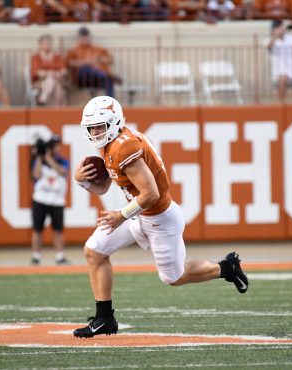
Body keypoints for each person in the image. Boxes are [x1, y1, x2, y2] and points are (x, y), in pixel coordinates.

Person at [72, 96, 249, 337]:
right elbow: (103, 187)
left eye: (99, 127)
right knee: (95, 251)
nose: (94, 132)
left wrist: (120, 216)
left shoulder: (124, 147)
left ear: (113, 123)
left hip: (158, 218)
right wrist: (81, 181)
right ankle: (105, 318)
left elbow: (151, 194)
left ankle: (227, 268)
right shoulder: (112, 142)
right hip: (137, 214)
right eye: (91, 128)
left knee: (175, 277)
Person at [30, 134, 70, 265]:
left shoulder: (62, 160)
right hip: (40, 199)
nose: (57, 148)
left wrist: (48, 158)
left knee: (58, 229)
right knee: (37, 229)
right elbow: (35, 175)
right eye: (54, 146)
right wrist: (40, 158)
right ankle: (36, 256)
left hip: (57, 200)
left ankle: (59, 256)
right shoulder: (38, 161)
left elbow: (62, 172)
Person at [266, 20, 292, 103]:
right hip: (280, 75)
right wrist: (275, 36)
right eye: (278, 27)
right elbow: (269, 46)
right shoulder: (269, 40)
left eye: (282, 27)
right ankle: (280, 105)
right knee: (283, 78)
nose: (281, 29)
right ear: (273, 29)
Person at [30, 34, 67, 106]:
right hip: (40, 82)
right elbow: (37, 73)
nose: (47, 45)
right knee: (51, 82)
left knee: (57, 88)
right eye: (45, 43)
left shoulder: (57, 56)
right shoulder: (36, 57)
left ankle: (43, 98)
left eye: (49, 43)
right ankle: (54, 111)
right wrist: (53, 73)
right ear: (40, 44)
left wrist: (49, 74)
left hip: (57, 81)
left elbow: (64, 71)